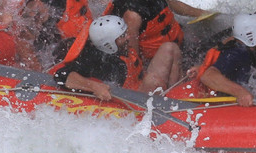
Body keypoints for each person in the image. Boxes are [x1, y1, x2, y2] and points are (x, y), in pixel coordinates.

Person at [54, 14, 184, 100]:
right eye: (122, 36)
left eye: (125, 33)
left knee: (169, 47)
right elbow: (61, 75)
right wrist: (95, 87)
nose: (128, 37)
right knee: (153, 81)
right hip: (135, 99)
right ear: (108, 44)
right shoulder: (100, 60)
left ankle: (177, 94)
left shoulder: (120, 48)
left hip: (141, 83)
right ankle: (163, 107)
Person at [194, 13, 256, 107]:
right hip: (224, 109)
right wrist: (240, 92)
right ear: (251, 36)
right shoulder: (237, 53)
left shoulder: (254, 56)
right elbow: (208, 76)